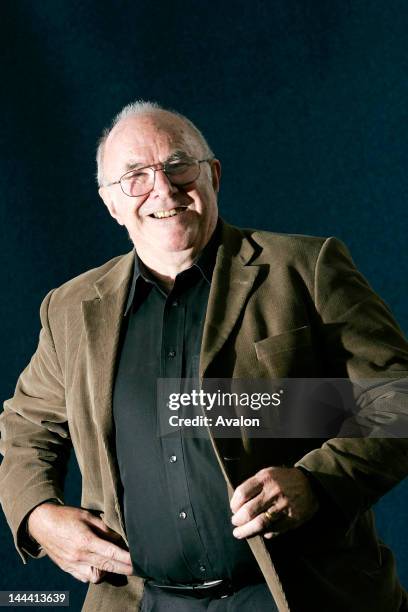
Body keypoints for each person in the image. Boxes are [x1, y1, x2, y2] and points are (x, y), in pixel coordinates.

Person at [1, 100, 408, 612]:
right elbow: (26, 427)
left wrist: (318, 483)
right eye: (135, 177)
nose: (164, 190)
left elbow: (396, 400)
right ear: (110, 202)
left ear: (213, 174)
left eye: (178, 166)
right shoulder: (69, 308)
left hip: (298, 595)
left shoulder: (306, 269)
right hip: (142, 602)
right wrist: (37, 513)